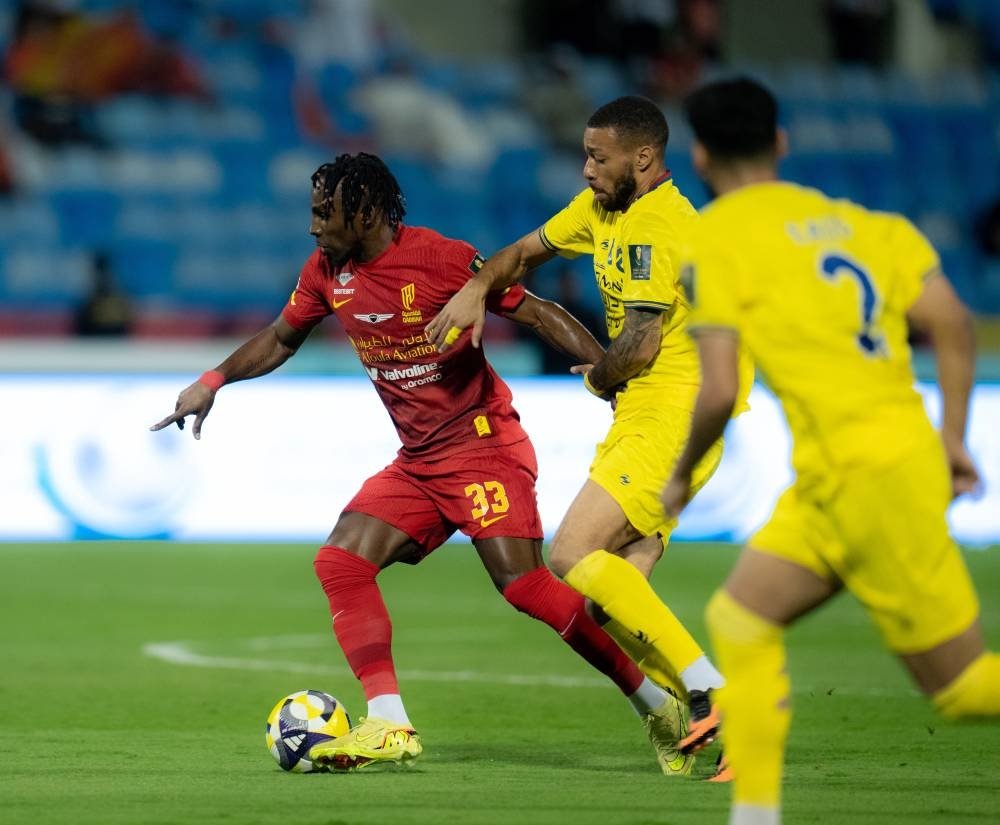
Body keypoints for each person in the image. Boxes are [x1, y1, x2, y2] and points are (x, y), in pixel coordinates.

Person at [151, 153, 688, 773]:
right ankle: (389, 724)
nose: (313, 226)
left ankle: (659, 705)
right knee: (341, 562)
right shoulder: (326, 271)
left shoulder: (441, 259)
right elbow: (279, 338)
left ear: (365, 212)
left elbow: (538, 311)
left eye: (325, 213)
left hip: (483, 445)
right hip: (420, 461)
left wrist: (612, 382)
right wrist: (214, 380)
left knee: (524, 586)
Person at [660, 77, 1000, 825]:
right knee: (741, 617)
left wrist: (680, 475)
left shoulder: (713, 239)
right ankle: (755, 815)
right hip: (845, 474)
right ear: (781, 142)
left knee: (963, 689)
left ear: (701, 155)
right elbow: (952, 323)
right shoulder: (866, 225)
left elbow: (719, 390)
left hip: (868, 477)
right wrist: (952, 434)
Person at [427, 96, 754, 778]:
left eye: (598, 158)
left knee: (570, 551)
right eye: (585, 155)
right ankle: (709, 724)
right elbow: (523, 253)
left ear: (644, 158)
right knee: (612, 601)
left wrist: (599, 377)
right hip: (650, 413)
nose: (586, 169)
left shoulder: (657, 226)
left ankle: (712, 691)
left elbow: (639, 345)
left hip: (674, 411)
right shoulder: (603, 209)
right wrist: (478, 288)